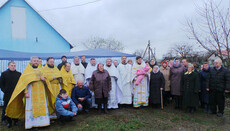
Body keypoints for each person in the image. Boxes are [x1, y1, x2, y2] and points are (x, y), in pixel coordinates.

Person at [5, 56, 55, 129]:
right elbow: (23, 83)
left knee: (42, 106)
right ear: (31, 61)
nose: (36, 62)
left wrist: (44, 79)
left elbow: (46, 80)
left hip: (41, 92)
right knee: (32, 107)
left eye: (37, 61)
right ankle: (32, 124)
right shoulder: (27, 70)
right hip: (31, 92)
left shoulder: (42, 70)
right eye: (34, 61)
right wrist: (25, 92)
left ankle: (43, 123)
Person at [0, 61, 21, 128]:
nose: (13, 66)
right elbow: (1, 84)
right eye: (11, 65)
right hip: (7, 94)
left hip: (16, 94)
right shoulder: (4, 74)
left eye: (14, 65)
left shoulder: (19, 74)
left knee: (16, 107)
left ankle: (15, 120)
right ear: (8, 66)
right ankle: (4, 119)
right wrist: (5, 91)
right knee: (6, 107)